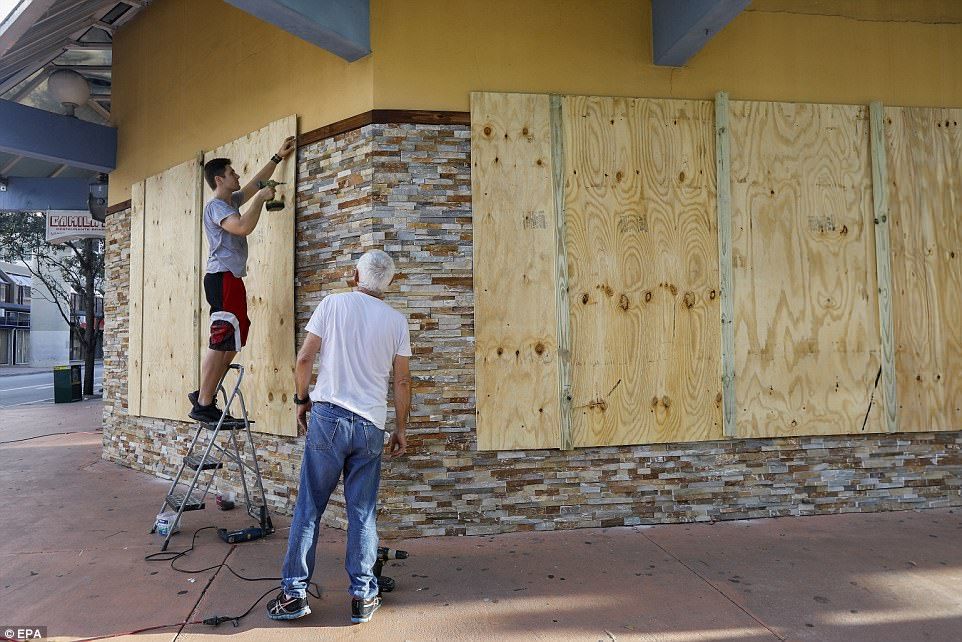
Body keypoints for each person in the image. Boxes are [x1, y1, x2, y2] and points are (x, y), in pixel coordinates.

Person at [267, 249, 411, 625]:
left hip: (328, 418)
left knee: (310, 507)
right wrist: (400, 429)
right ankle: (364, 597)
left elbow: (304, 359)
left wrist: (302, 400)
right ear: (389, 283)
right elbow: (402, 381)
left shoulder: (332, 304)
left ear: (354, 275)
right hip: (370, 426)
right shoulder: (396, 321)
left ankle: (294, 596)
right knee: (362, 512)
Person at [188, 136, 296, 423]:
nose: (238, 176)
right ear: (219, 179)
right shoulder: (217, 207)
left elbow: (256, 183)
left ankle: (204, 393)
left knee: (235, 337)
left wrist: (277, 157)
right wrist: (261, 199)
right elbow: (243, 227)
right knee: (221, 339)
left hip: (230, 278)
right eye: (232, 173)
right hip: (221, 278)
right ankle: (203, 403)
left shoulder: (231, 200)